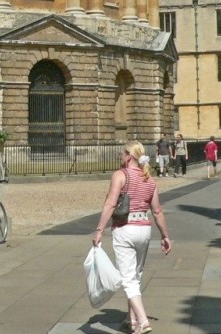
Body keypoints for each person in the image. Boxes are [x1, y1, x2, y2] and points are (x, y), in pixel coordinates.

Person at [93, 141, 171, 334]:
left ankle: (143, 321)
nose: (120, 155)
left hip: (124, 228)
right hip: (144, 229)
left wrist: (99, 230)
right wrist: (165, 236)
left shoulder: (120, 176)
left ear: (129, 156)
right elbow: (158, 211)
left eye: (122, 153)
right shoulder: (149, 179)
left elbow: (110, 204)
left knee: (127, 278)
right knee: (135, 275)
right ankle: (132, 319)